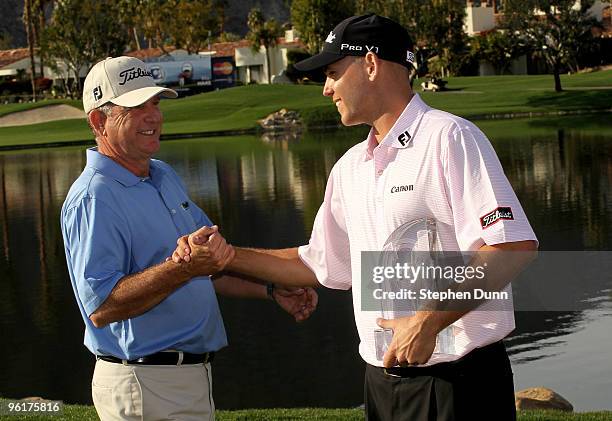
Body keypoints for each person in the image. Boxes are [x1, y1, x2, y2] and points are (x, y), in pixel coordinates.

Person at [175, 14, 539, 420]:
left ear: (370, 64)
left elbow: (510, 247)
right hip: (381, 382)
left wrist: (428, 321)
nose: (326, 89)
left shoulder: (449, 138)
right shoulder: (350, 167)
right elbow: (319, 263)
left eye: (332, 73)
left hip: (459, 383)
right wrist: (226, 256)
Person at [61, 56, 317, 421]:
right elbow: (101, 307)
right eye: (136, 106)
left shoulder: (162, 175)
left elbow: (212, 261)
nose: (153, 116)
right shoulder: (94, 197)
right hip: (143, 383)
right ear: (98, 121)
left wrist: (272, 289)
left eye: (155, 103)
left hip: (186, 377)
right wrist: (180, 269)